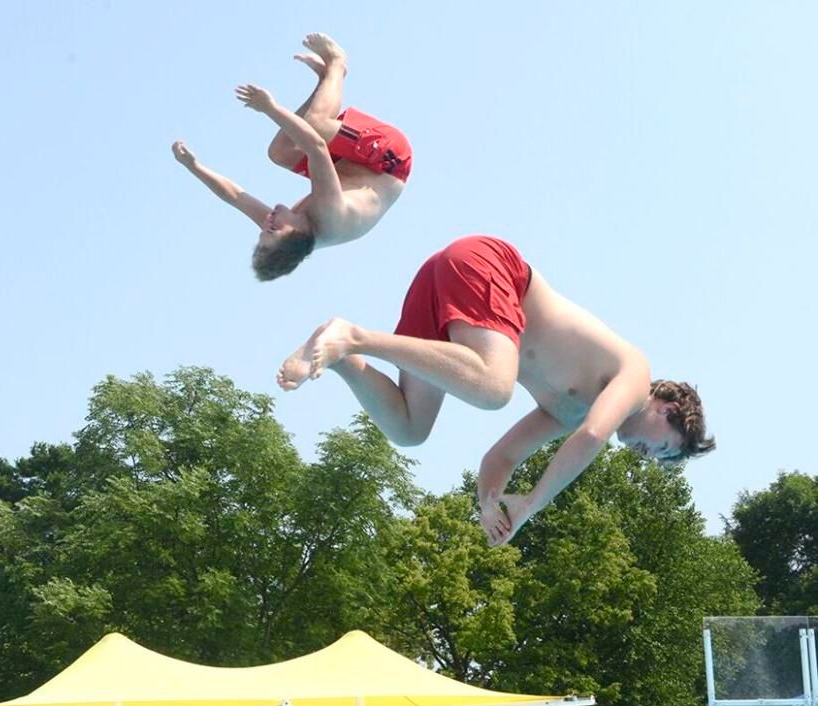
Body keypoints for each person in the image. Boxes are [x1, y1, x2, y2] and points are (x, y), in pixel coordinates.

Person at [275, 235, 714, 543]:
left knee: (409, 428)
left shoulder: (568, 412)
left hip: (449, 296)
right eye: (663, 447)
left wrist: (490, 502)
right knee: (494, 388)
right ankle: (354, 337)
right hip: (490, 267)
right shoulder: (635, 375)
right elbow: (592, 437)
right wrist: (531, 504)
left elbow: (499, 458)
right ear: (667, 409)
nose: (649, 456)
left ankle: (341, 355)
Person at [172, 32, 411, 281]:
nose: (268, 222)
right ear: (295, 236)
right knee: (316, 125)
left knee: (280, 153)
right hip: (388, 161)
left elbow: (235, 197)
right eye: (273, 229)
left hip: (351, 168)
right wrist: (270, 108)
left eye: (264, 231)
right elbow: (316, 146)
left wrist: (193, 166)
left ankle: (325, 80)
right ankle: (337, 63)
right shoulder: (329, 214)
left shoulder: (290, 227)